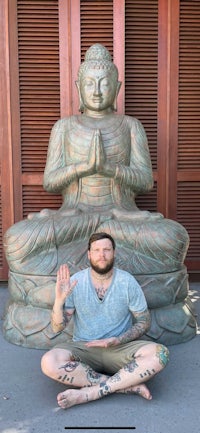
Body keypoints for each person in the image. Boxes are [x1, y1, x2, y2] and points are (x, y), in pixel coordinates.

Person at [4, 43, 189, 277]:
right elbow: (50, 182)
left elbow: (145, 182)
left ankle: (71, 269)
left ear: (117, 88)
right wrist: (84, 168)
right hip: (75, 218)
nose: (97, 91)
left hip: (120, 217)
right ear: (78, 88)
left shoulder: (131, 126)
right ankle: (116, 265)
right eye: (90, 83)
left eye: (104, 83)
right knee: (15, 240)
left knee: (174, 238)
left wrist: (109, 169)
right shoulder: (64, 127)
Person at [41, 232, 169, 409]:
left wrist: (118, 340)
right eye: (97, 250)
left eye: (107, 250)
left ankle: (89, 393)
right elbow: (57, 327)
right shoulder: (75, 282)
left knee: (160, 353)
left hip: (119, 348)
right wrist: (59, 301)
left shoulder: (127, 281)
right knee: (49, 362)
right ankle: (126, 385)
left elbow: (144, 322)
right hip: (84, 347)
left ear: (114, 253)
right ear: (89, 254)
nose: (102, 254)